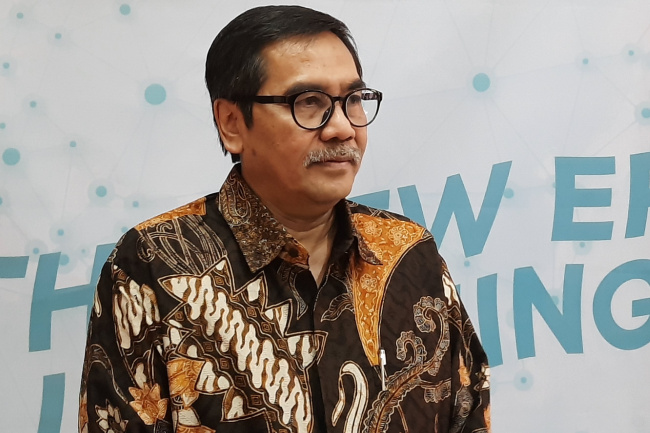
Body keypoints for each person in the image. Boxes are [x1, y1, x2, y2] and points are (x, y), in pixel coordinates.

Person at [79, 5, 490, 433]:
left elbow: (469, 410)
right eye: (309, 102)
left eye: (353, 100)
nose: (342, 128)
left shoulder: (407, 252)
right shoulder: (154, 260)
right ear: (231, 123)